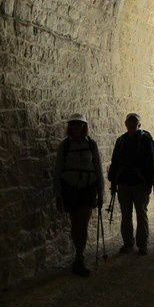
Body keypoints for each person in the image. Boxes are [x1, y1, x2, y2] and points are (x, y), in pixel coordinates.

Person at [54, 113, 105, 277]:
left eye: (79, 124)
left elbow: (98, 168)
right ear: (70, 127)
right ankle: (78, 254)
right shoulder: (65, 146)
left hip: (88, 188)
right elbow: (58, 170)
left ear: (84, 127)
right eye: (74, 124)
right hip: (70, 188)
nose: (76, 127)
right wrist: (58, 194)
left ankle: (79, 257)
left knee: (82, 223)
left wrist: (101, 192)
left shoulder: (91, 144)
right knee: (75, 223)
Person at [108, 112, 154, 255]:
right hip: (124, 182)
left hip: (139, 183)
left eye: (133, 123)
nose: (131, 125)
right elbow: (115, 161)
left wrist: (149, 183)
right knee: (126, 214)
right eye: (129, 123)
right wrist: (113, 181)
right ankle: (129, 243)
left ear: (138, 125)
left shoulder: (145, 140)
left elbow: (150, 162)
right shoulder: (121, 141)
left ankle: (142, 244)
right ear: (126, 124)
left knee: (141, 214)